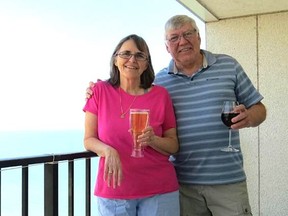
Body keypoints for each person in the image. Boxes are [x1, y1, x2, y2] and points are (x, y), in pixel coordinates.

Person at [85, 15, 266, 216]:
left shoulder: (228, 66)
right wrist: (97, 91)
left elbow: (259, 109)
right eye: (174, 38)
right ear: (167, 47)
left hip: (226, 180)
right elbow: (125, 91)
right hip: (184, 182)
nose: (182, 41)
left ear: (198, 37)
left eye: (188, 34)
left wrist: (249, 117)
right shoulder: (162, 82)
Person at [83, 34, 180, 216]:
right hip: (115, 189)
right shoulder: (99, 91)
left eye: (139, 55)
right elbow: (88, 139)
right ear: (115, 60)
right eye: (126, 54)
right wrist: (107, 150)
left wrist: (153, 140)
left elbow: (173, 145)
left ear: (146, 64)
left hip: (160, 190)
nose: (132, 60)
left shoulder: (161, 96)